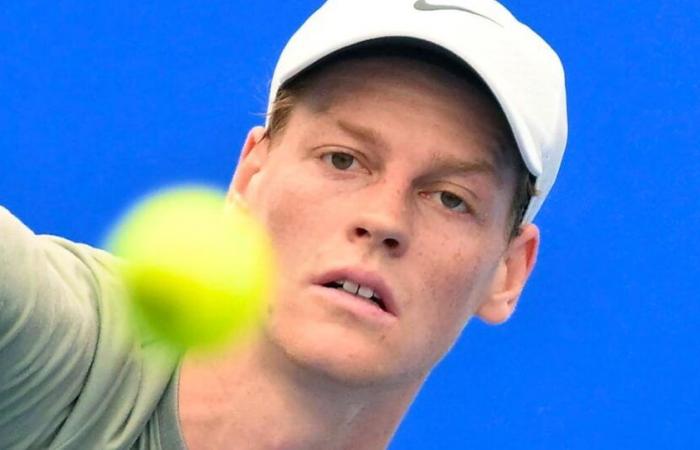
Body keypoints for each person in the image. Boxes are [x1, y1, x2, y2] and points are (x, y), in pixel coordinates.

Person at [0, 0, 568, 448]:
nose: (383, 218)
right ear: (250, 176)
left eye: (449, 198)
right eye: (342, 160)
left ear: (508, 272)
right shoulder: (48, 338)